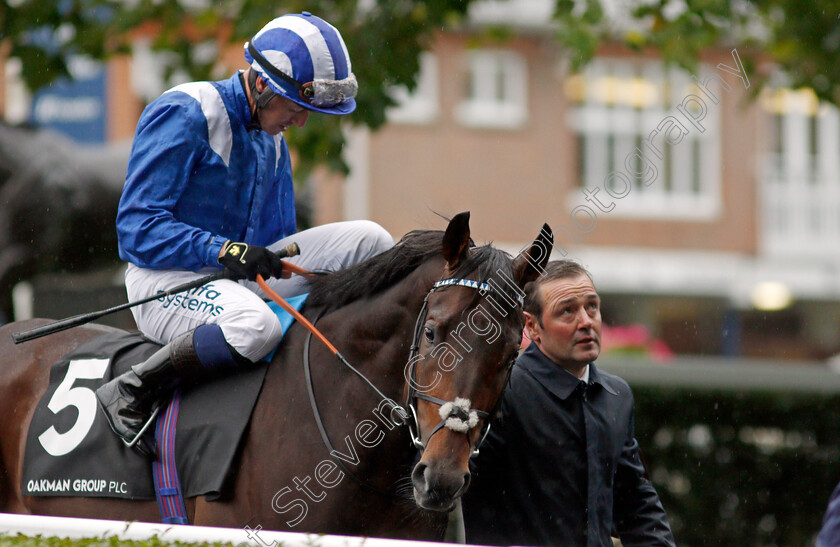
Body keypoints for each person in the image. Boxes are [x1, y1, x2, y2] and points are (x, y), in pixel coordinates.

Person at [95, 12, 393, 457]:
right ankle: (133, 387)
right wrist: (225, 249)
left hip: (230, 279)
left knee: (373, 240)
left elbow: (276, 240)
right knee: (257, 326)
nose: (301, 123)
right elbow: (136, 230)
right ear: (261, 85)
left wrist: (250, 257)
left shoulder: (272, 135)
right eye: (296, 109)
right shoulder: (186, 111)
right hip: (165, 280)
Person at [461, 260, 675, 546]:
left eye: (592, 307)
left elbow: (635, 503)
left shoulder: (616, 395)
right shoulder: (499, 391)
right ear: (532, 326)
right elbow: (447, 482)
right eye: (567, 311)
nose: (586, 321)